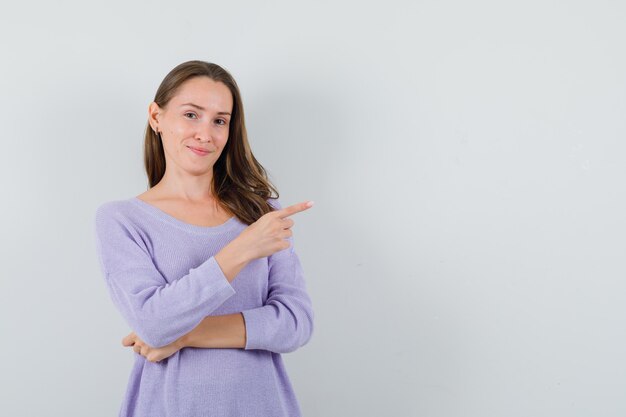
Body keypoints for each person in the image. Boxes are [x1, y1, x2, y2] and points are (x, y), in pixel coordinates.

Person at [93, 60, 315, 417]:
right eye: (191, 115)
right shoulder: (122, 219)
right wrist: (241, 250)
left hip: (261, 406)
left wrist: (182, 336)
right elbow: (152, 321)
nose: (205, 133)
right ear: (156, 117)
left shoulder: (262, 213)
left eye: (219, 120)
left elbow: (295, 323)